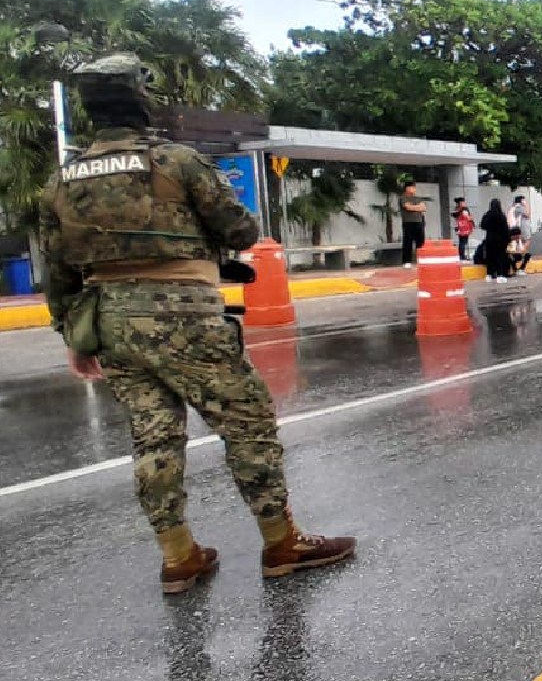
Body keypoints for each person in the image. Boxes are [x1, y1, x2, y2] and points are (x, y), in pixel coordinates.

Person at [37, 53, 355, 594]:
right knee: (246, 424)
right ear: (140, 99)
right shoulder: (176, 162)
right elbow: (240, 229)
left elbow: (57, 267)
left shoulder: (62, 182)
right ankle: (281, 544)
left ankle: (179, 557)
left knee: (154, 438)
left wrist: (72, 333)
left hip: (109, 319)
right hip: (183, 312)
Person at [481, 198, 511, 283]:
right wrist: (508, 239)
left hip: (490, 239)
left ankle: (489, 275)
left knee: (490, 257)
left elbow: (483, 226)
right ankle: (500, 275)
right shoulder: (501, 215)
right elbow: (505, 229)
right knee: (500, 257)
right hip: (500, 240)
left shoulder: (487, 215)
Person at [400, 181, 428, 267]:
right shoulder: (403, 198)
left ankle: (421, 260)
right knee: (408, 242)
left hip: (419, 222)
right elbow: (407, 207)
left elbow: (424, 208)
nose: (414, 189)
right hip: (408, 222)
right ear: (407, 188)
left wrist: (414, 207)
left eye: (415, 187)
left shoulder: (418, 198)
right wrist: (417, 207)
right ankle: (407, 262)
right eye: (413, 187)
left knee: (420, 243)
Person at [507, 196, 533, 275]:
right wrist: (527, 205)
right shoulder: (519, 207)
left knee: (518, 247)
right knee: (524, 246)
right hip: (522, 230)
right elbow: (528, 214)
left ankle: (517, 263)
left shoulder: (514, 208)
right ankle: (520, 263)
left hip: (518, 230)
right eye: (524, 200)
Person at [451, 197, 474, 261]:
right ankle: (462, 256)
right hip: (465, 228)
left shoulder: (457, 209)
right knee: (463, 242)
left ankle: (461, 255)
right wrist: (472, 223)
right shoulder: (464, 209)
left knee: (461, 241)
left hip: (459, 228)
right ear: (461, 203)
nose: (464, 203)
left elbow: (455, 218)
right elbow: (467, 218)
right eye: (463, 202)